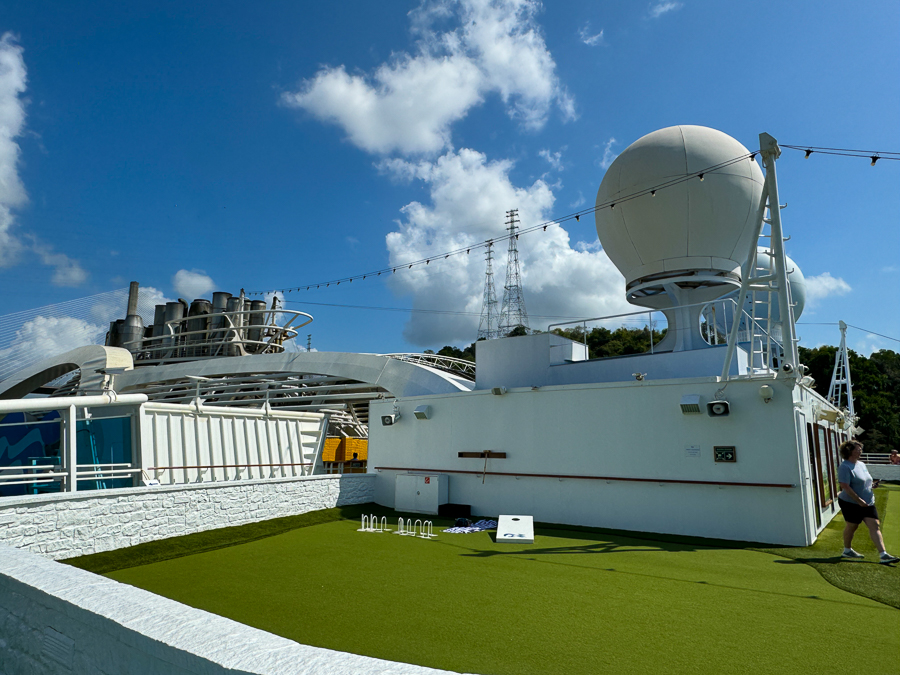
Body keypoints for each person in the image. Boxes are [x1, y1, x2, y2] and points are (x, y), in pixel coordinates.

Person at [837, 439, 898, 563]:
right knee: (852, 526)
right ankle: (847, 550)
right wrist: (859, 501)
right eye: (858, 449)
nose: (860, 451)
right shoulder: (845, 466)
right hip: (851, 503)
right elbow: (845, 486)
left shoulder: (861, 464)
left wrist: (871, 486)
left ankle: (883, 555)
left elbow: (865, 480)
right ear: (849, 451)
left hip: (868, 502)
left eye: (860, 449)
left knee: (875, 525)